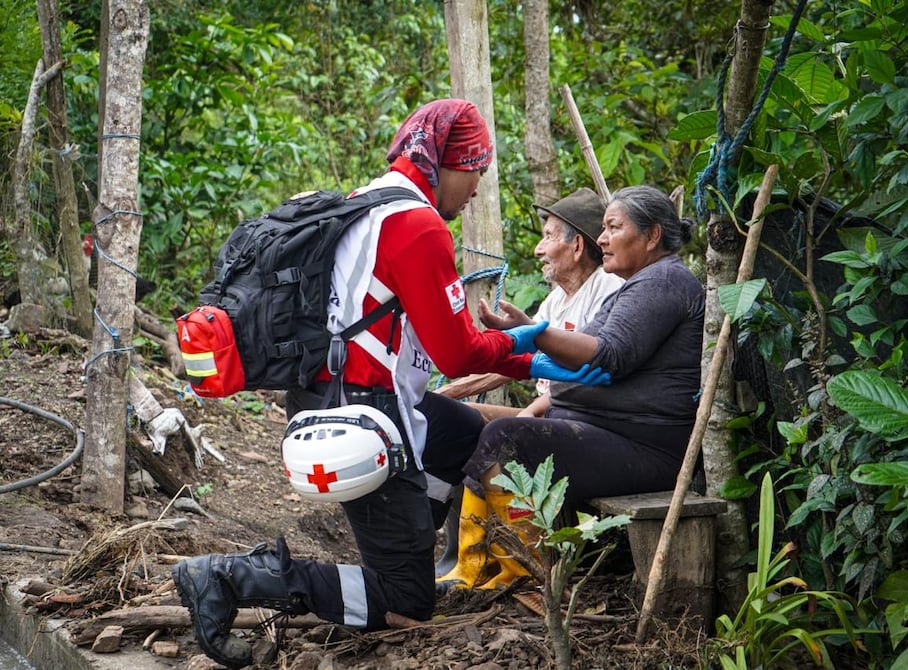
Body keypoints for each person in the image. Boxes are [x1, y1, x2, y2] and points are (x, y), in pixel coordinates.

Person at [171, 99, 609, 670]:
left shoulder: (367, 203)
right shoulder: (417, 225)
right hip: (363, 414)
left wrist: (525, 351)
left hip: (331, 394)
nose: (477, 186)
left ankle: (405, 544)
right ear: (446, 165)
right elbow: (456, 352)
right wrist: (538, 350)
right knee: (409, 600)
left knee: (463, 432)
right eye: (475, 168)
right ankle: (232, 578)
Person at [462, 184, 704, 590]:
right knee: (468, 426)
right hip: (603, 431)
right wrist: (529, 333)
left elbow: (608, 356)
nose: (603, 239)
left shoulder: (664, 281)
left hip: (647, 448)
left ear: (652, 235)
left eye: (613, 227)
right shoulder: (636, 285)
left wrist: (535, 334)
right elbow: (571, 359)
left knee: (507, 437)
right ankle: (473, 563)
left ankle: (527, 573)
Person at [434, 187, 623, 590]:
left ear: (576, 247)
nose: (539, 249)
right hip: (554, 412)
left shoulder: (606, 293)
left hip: (580, 419)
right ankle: (466, 557)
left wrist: (533, 410)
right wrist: (451, 393)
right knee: (455, 423)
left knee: (492, 433)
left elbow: (591, 375)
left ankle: (518, 565)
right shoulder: (558, 299)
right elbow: (521, 363)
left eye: (549, 237)